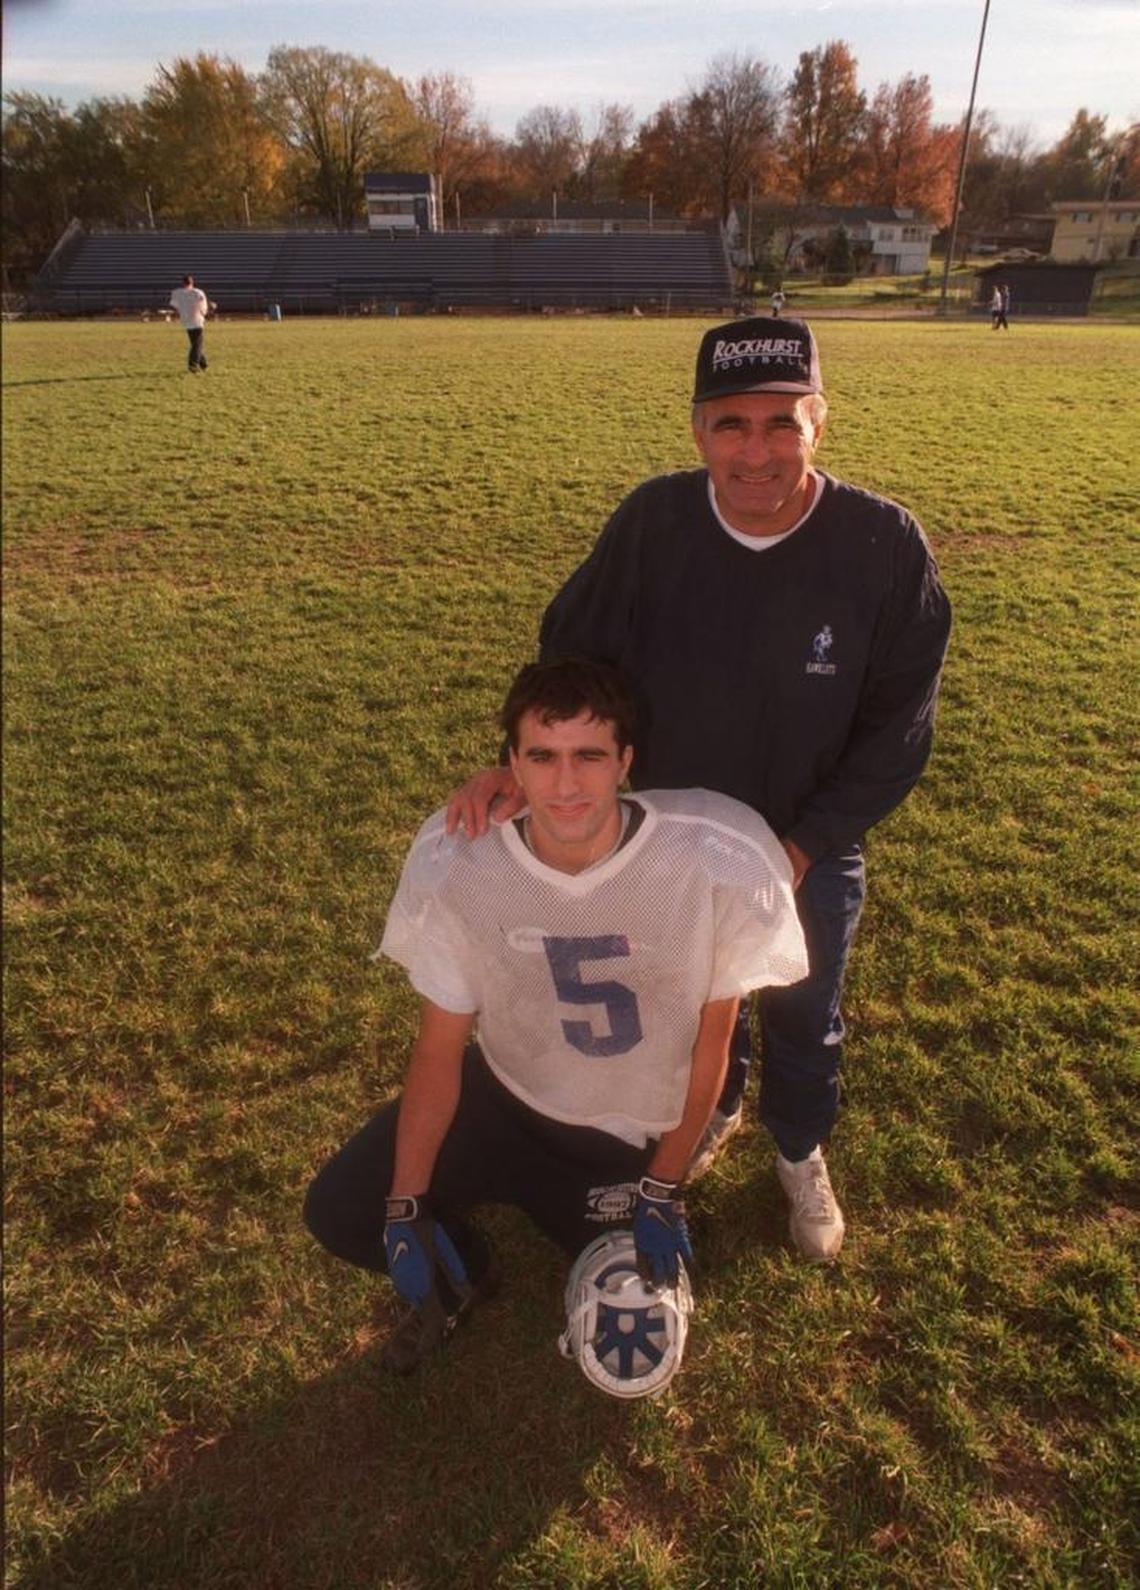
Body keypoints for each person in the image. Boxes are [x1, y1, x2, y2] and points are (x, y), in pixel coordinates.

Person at [447, 316, 952, 1263]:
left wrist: (797, 848)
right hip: (664, 843)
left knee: (801, 1003)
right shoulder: (653, 524)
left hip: (809, 839)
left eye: (781, 424)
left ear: (820, 423)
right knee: (682, 1004)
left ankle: (799, 1150)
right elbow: (573, 662)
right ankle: (708, 1109)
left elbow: (897, 733)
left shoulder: (884, 548)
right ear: (696, 431)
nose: (755, 452)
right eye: (731, 425)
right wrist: (521, 764)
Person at [304, 657, 808, 1375]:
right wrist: (406, 1201)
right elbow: (439, 1051)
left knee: (631, 1349)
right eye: (542, 756)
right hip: (504, 1095)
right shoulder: (466, 863)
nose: (566, 784)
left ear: (626, 761)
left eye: (589, 757)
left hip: (618, 1133)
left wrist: (664, 1184)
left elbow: (711, 1045)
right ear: (511, 763)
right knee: (343, 1211)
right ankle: (465, 1274)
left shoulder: (710, 856)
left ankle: (602, 1219)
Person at [169, 273, 209, 371]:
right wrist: (204, 313)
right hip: (197, 320)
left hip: (186, 320)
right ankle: (193, 364)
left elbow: (174, 305)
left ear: (183, 283)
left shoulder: (177, 293)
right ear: (192, 282)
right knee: (197, 344)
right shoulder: (198, 292)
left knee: (195, 343)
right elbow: (203, 307)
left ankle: (203, 363)